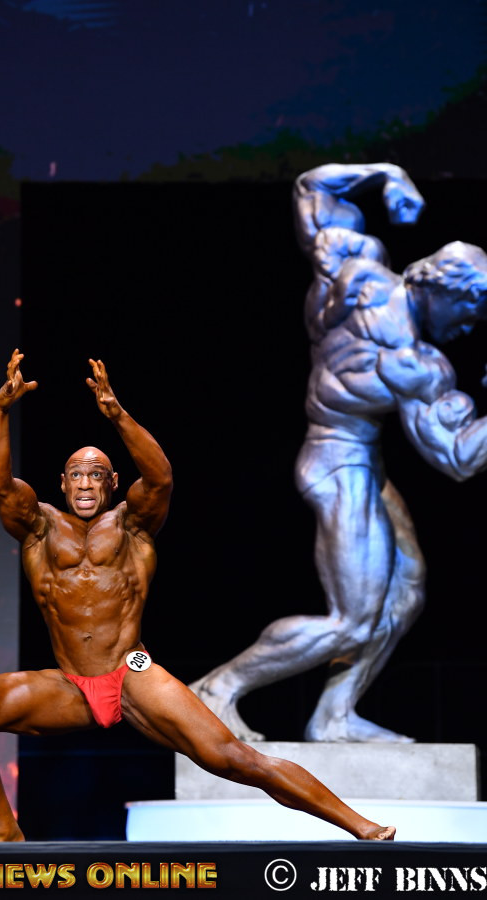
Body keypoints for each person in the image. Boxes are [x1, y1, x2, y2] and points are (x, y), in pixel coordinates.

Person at [0, 350, 395, 842]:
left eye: (97, 473)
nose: (86, 482)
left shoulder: (133, 525)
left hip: (131, 674)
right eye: (77, 474)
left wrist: (116, 414)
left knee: (234, 759)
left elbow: (160, 478)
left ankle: (361, 826)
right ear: (63, 483)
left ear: (113, 482)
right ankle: (4, 827)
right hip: (70, 684)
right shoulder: (39, 529)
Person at [191, 163, 487, 744]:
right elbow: (457, 458)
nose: (471, 328)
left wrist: (388, 174)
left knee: (405, 592)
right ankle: (217, 690)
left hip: (358, 459)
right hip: (339, 464)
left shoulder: (353, 271)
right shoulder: (412, 363)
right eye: (472, 312)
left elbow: (313, 187)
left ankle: (334, 715)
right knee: (351, 620)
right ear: (449, 292)